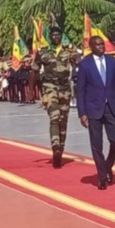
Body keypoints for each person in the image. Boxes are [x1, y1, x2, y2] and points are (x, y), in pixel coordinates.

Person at [76, 36, 115, 190]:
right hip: (93, 109)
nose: (100, 47)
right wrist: (82, 113)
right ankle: (101, 177)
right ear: (91, 47)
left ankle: (107, 165)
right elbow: (80, 91)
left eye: (102, 44)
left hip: (112, 107)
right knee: (96, 145)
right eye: (97, 44)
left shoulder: (113, 62)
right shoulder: (85, 65)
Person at [29, 26, 73, 168]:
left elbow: (79, 62)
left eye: (58, 35)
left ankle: (61, 148)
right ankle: (55, 147)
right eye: (53, 35)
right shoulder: (43, 52)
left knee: (63, 120)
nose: (56, 37)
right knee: (54, 116)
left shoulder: (69, 50)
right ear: (50, 37)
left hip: (65, 88)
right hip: (49, 87)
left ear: (61, 36)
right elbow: (34, 72)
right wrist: (31, 91)